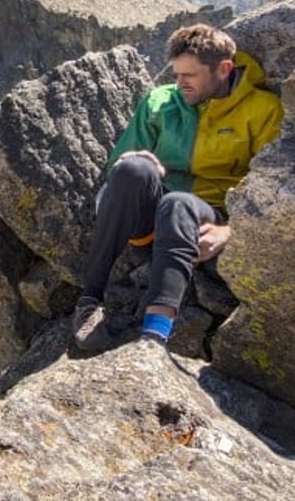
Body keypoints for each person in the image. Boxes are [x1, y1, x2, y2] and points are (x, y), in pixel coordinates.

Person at [72, 24, 283, 351]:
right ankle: (90, 299)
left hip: (205, 221)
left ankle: (154, 335)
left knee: (179, 204)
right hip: (151, 223)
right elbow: (117, 168)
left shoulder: (263, 111)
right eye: (177, 74)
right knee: (134, 169)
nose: (181, 83)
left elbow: (273, 189)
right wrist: (142, 164)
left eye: (191, 75)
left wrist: (231, 231)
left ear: (224, 69)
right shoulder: (160, 101)